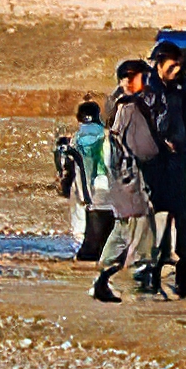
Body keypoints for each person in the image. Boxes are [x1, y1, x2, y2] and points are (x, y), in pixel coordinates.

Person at [92, 59, 168, 303]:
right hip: (133, 181)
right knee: (141, 233)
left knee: (122, 230)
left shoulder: (114, 105)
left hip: (118, 183)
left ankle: (103, 280)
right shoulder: (132, 108)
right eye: (141, 77)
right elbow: (146, 149)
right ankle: (138, 289)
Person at [147, 40, 186, 297]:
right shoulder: (146, 90)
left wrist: (183, 144)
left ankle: (184, 275)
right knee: (156, 224)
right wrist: (158, 146)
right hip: (155, 166)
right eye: (172, 66)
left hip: (180, 163)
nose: (176, 71)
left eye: (179, 66)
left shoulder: (184, 89)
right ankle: (151, 275)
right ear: (159, 64)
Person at [55, 99, 115, 262]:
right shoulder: (108, 135)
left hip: (85, 190)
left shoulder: (75, 138)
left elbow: (65, 166)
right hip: (109, 191)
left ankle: (82, 248)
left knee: (80, 226)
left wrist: (64, 183)